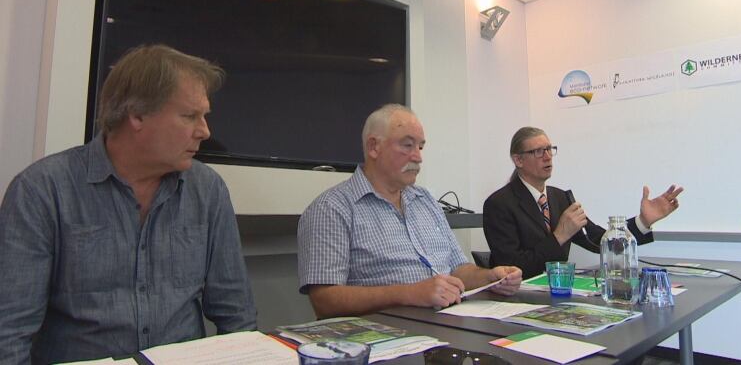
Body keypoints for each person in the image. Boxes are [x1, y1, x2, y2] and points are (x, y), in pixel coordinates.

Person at [0, 45, 257, 364]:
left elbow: (236, 313)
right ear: (136, 115)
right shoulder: (43, 190)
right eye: (190, 116)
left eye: (204, 116)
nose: (205, 131)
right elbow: (9, 332)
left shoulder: (208, 189)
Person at [297, 104, 522, 318]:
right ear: (374, 147)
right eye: (407, 145)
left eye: (420, 147)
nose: (418, 157)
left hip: (449, 321)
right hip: (386, 334)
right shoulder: (332, 208)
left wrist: (490, 277)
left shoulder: (425, 201)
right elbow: (324, 300)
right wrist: (410, 293)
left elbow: (458, 269)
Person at [483, 126, 684, 278]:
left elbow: (598, 241)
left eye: (549, 149)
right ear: (518, 160)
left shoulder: (560, 198)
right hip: (518, 299)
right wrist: (559, 235)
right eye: (538, 151)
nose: (547, 157)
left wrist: (643, 221)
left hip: (557, 291)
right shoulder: (499, 204)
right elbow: (511, 269)